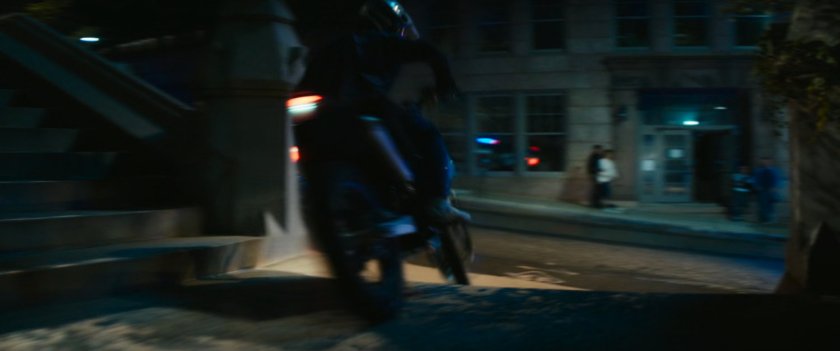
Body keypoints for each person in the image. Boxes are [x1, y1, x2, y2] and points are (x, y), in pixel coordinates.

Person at [294, 0, 469, 223]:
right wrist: (446, 83)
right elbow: (428, 52)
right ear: (392, 23)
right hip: (366, 114)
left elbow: (304, 84)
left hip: (324, 124)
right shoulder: (381, 42)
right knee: (428, 133)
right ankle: (438, 200)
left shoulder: (332, 46)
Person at [753, 157, 781, 223]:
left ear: (770, 162)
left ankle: (770, 219)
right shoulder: (759, 170)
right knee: (763, 204)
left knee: (770, 205)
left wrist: (775, 188)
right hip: (762, 190)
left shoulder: (774, 170)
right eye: (764, 161)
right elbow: (755, 179)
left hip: (771, 190)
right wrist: (757, 186)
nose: (765, 163)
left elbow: (777, 179)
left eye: (767, 161)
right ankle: (764, 219)